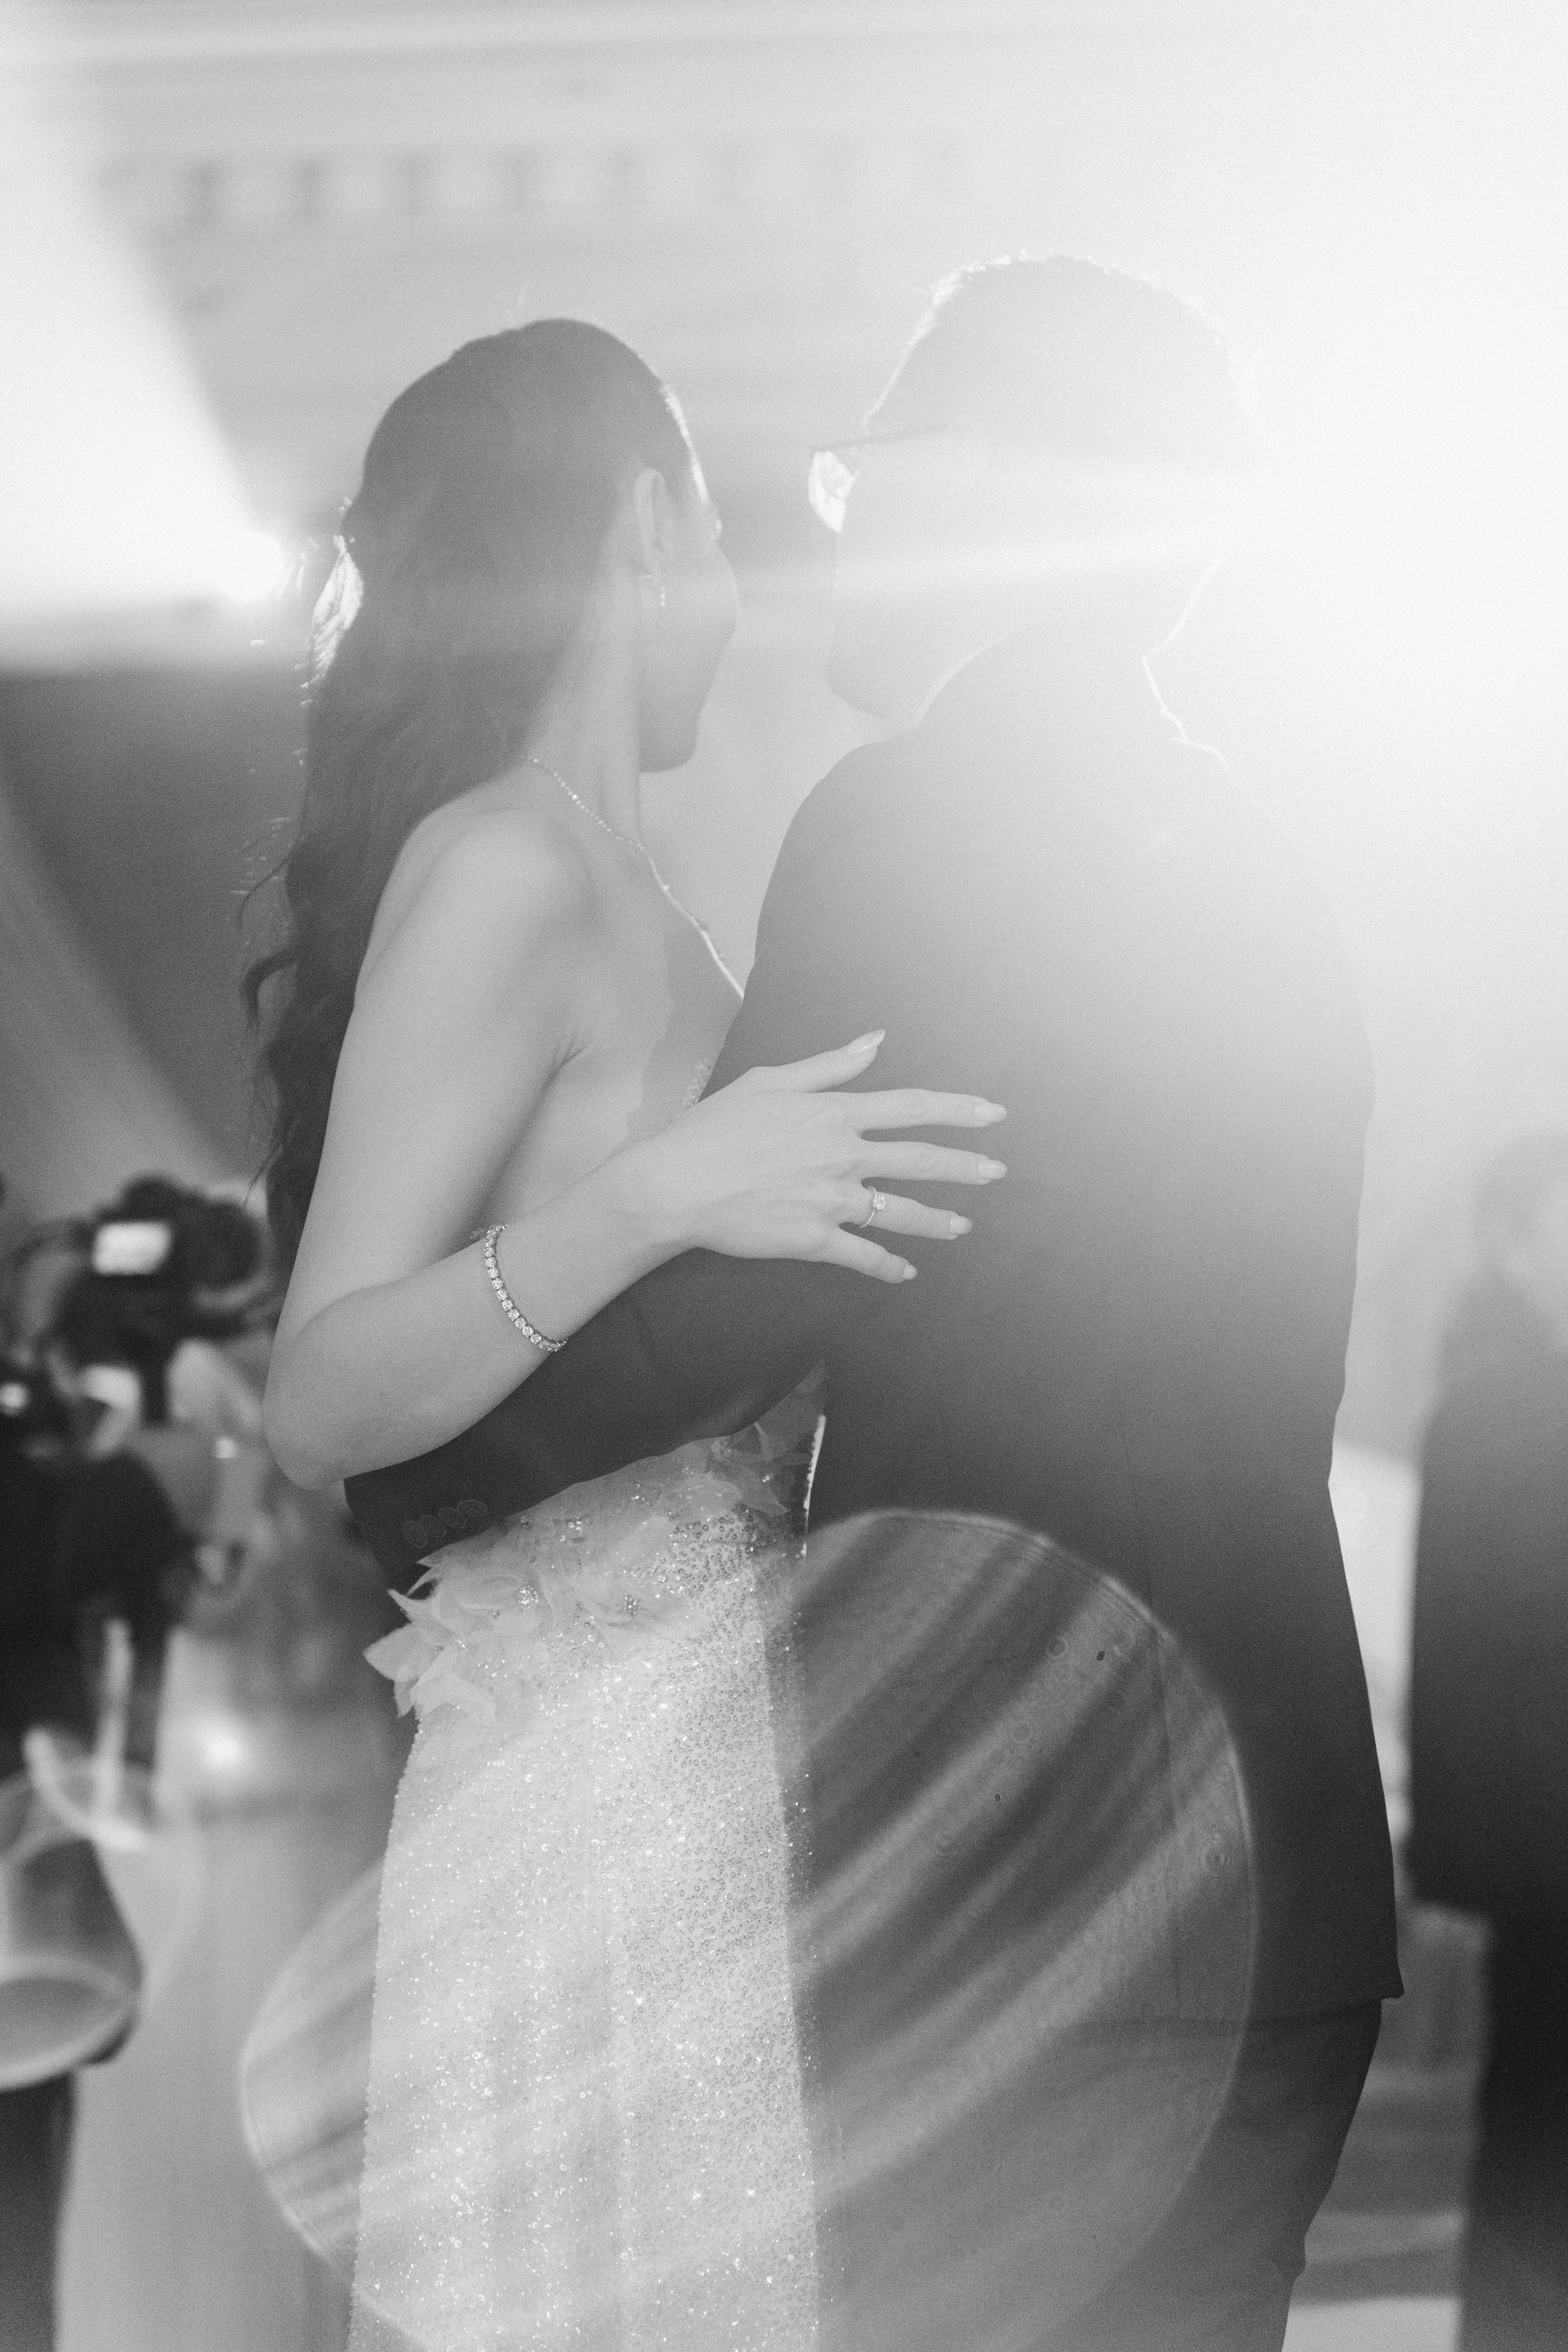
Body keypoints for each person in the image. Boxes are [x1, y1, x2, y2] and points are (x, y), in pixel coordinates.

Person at [348, 257, 1402, 2352]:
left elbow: (745, 1296)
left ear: (983, 483)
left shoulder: (923, 816)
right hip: (1283, 1879)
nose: (833, 526)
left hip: (1025, 1890)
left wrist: (414, 1467)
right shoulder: (1268, 869)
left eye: (861, 471)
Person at [248, 318, 1005, 2351]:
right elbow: (320, 1391)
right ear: (651, 521)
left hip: (699, 1735)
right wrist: (650, 1201)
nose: (745, 600)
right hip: (582, 1776)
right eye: (727, 538)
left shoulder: (625, 883)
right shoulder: (509, 857)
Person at [1410, 1131, 1568, 2352]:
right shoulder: (1512, 1402)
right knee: (1537, 2147)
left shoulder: (1510, 1391)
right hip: (1546, 1848)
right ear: (1512, 1243)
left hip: (1532, 1850)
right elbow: (1485, 1644)